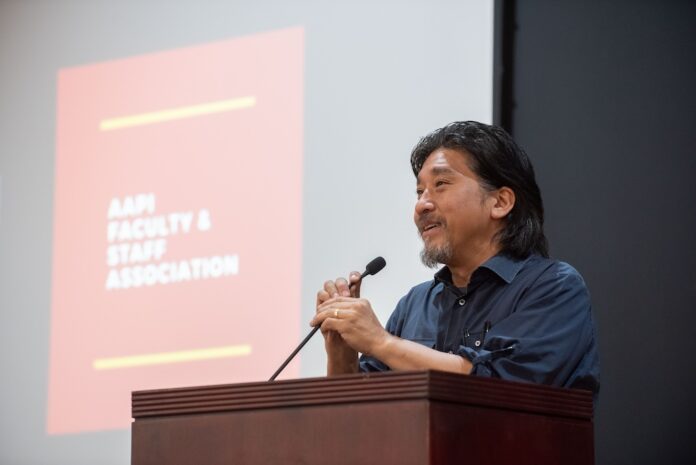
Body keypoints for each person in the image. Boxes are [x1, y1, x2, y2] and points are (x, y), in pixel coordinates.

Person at [310, 121, 600, 397]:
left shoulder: (553, 288)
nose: (422, 204)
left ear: (500, 202)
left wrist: (381, 342)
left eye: (441, 184)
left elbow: (498, 388)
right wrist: (342, 352)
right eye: (419, 191)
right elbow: (359, 418)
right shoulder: (415, 304)